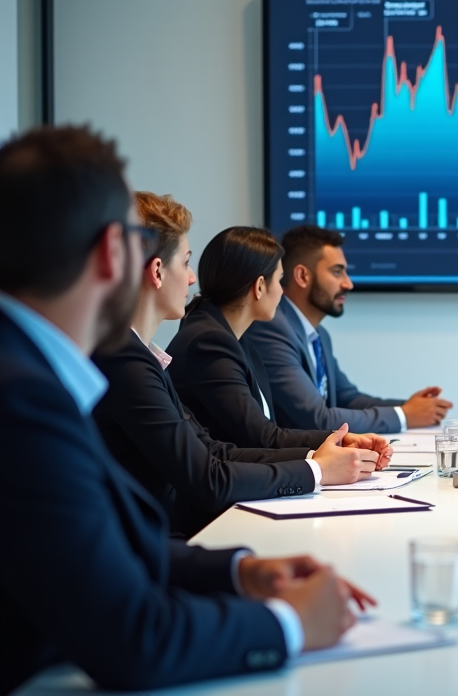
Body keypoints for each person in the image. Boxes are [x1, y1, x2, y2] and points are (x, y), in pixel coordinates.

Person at [0, 126, 370, 693]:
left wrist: (237, 571)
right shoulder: (24, 399)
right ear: (113, 255)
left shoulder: (36, 370)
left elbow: (101, 547)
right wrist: (291, 622)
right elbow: (136, 640)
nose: (190, 277)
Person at [93, 193, 390, 537]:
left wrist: (318, 457)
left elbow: (213, 449)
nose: (191, 279)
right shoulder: (131, 359)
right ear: (158, 271)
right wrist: (318, 470)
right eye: (185, 263)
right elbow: (209, 477)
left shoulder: (145, 354)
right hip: (165, 545)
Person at [244, 225, 452, 433]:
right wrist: (405, 415)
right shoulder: (271, 329)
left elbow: (348, 399)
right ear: (302, 276)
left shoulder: (319, 335)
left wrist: (411, 407)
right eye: (337, 272)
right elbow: (316, 419)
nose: (348, 284)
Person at [166, 227, 350, 451]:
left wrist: (338, 441)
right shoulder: (209, 343)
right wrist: (336, 442)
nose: (282, 292)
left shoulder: (232, 337)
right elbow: (262, 438)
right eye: (280, 280)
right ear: (260, 286)